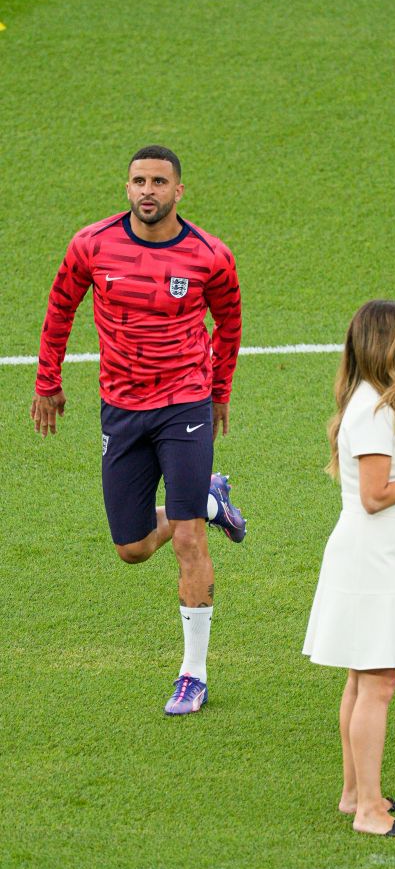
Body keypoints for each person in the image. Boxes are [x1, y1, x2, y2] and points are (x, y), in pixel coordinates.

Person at [30, 144, 246, 716]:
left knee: (189, 537)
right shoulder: (92, 244)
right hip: (121, 407)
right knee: (129, 548)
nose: (147, 190)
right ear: (127, 188)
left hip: (185, 405)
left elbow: (229, 322)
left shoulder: (209, 256)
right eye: (138, 181)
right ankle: (205, 498)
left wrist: (219, 391)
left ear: (179, 191)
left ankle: (192, 675)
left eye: (159, 182)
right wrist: (46, 381)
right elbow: (60, 307)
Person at [303, 300, 395, 838]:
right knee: (378, 683)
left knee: (362, 678)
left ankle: (354, 795)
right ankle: (369, 811)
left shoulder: (384, 402)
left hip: (375, 557)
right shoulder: (373, 410)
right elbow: (372, 496)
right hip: (366, 559)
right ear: (388, 346)